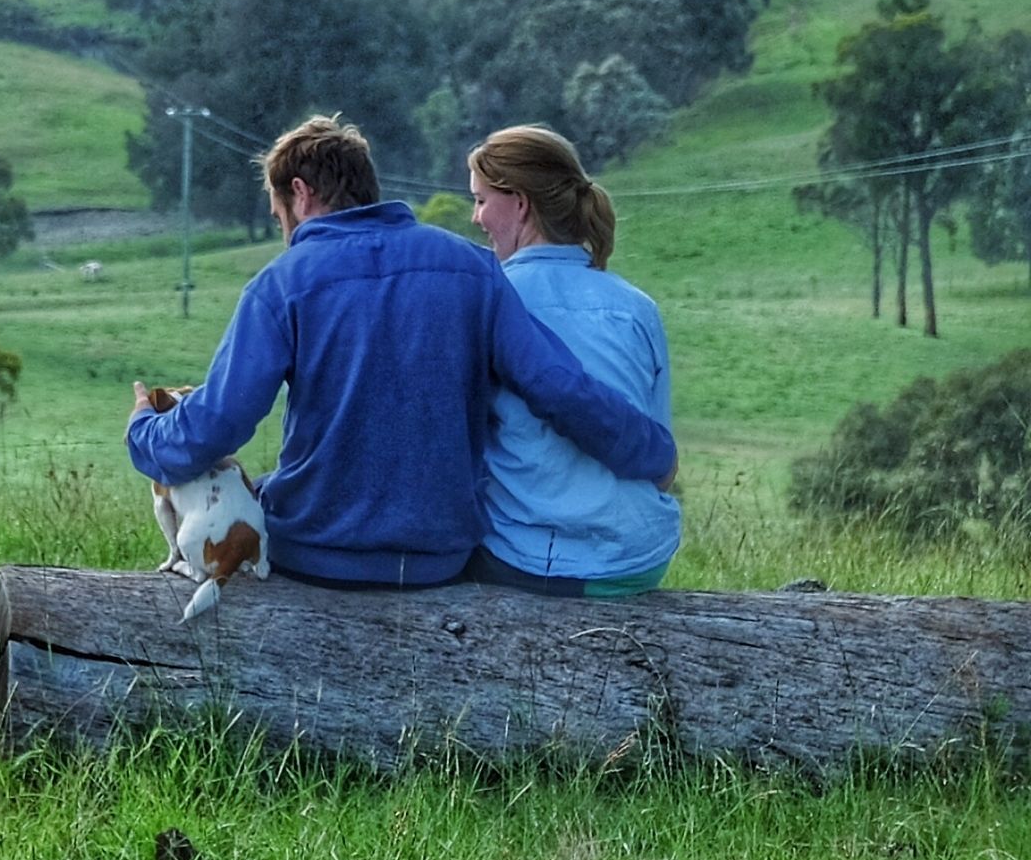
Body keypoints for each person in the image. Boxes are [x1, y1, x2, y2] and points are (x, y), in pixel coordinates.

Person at [126, 113, 675, 590]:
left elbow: (217, 425)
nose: (284, 233)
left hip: (317, 555)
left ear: (300, 193)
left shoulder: (282, 284)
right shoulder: (472, 268)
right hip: (440, 560)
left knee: (248, 490)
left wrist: (144, 430)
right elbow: (559, 388)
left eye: (279, 216)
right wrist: (654, 455)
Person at [465, 124, 680, 596]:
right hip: (637, 561)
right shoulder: (638, 308)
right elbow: (663, 471)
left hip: (532, 564)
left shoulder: (488, 300)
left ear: (520, 203)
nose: (476, 217)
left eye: (481, 200)